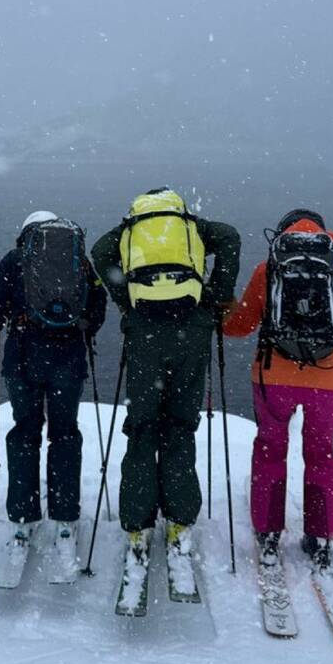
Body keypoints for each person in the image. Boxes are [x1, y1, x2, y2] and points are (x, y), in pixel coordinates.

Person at [90, 188, 240, 579]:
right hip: (192, 329)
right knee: (179, 426)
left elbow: (99, 253)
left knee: (142, 428)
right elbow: (231, 237)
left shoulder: (129, 229)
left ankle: (137, 527)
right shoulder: (192, 226)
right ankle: (179, 521)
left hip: (145, 334)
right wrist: (218, 295)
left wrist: (126, 301)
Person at [221, 208, 333, 570]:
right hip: (329, 380)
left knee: (270, 448)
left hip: (274, 376)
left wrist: (220, 311)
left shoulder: (269, 268)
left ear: (283, 233)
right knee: (321, 454)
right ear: (323, 232)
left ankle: (269, 533)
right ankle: (320, 536)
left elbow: (239, 325)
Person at [0, 211, 107, 560]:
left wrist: (4, 319)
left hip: (23, 359)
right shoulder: (78, 259)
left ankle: (23, 518)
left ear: (26, 233)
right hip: (68, 360)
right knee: (64, 434)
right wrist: (81, 326)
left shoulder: (15, 259)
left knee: (25, 434)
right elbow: (98, 306)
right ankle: (65, 520)